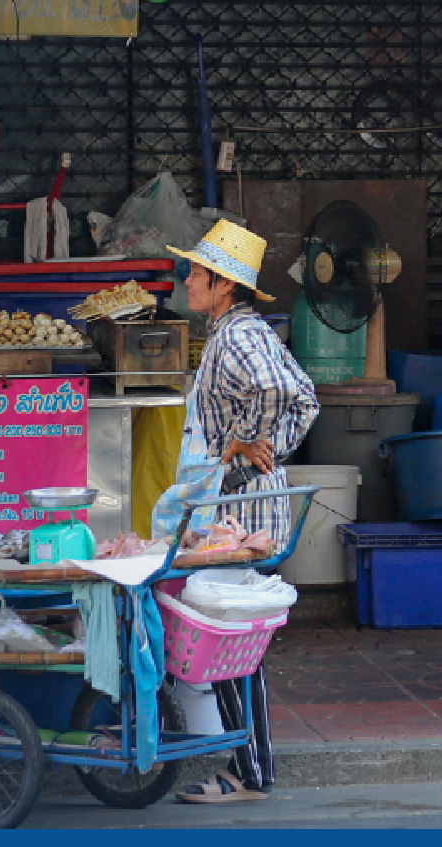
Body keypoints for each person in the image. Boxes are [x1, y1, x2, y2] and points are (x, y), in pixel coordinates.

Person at [153, 219, 320, 803]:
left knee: (221, 646)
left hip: (236, 518)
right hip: (243, 509)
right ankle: (251, 770)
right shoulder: (245, 329)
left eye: (195, 273)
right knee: (234, 649)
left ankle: (245, 774)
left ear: (224, 284)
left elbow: (278, 390)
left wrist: (247, 450)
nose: (187, 281)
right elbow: (306, 396)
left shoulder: (237, 336)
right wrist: (264, 451)